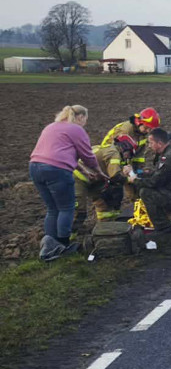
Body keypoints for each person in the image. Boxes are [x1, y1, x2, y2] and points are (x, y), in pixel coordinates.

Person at [30, 105, 105, 261]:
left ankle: (49, 246)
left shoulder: (51, 127)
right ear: (80, 117)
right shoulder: (76, 130)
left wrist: (85, 172)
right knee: (67, 208)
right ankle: (63, 245)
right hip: (57, 171)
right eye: (85, 119)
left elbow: (65, 154)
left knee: (52, 209)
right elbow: (88, 156)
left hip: (35, 167)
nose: (85, 122)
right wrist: (99, 172)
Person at [126, 128, 171, 236]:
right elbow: (157, 174)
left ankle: (164, 229)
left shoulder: (169, 156)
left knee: (146, 192)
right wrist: (137, 173)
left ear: (159, 143)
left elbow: (154, 182)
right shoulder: (170, 152)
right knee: (149, 190)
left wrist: (135, 180)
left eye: (151, 142)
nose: (149, 145)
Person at [73, 134, 138, 229]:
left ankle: (105, 226)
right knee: (79, 212)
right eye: (129, 153)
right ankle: (67, 238)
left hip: (92, 180)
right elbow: (115, 176)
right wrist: (130, 179)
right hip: (78, 180)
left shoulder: (107, 149)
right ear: (124, 147)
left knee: (103, 203)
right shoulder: (114, 153)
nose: (127, 157)